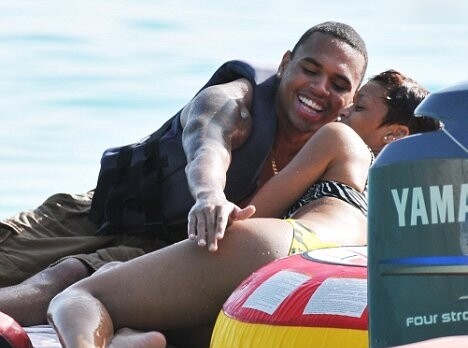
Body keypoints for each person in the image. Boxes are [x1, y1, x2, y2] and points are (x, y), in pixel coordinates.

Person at [15, 70, 440, 348]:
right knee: (163, 306)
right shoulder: (405, 197)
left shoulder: (342, 140)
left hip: (287, 246)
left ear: (394, 134)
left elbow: (257, 209)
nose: (343, 112)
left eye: (359, 106)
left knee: (84, 293)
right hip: (308, 295)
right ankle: (134, 345)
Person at [0, 21, 368, 326]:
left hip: (169, 248)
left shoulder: (334, 154)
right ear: (286, 63)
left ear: (351, 100)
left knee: (69, 276)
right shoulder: (233, 99)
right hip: (103, 213)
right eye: (310, 70)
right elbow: (207, 142)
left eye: (338, 84)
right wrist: (210, 195)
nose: (320, 88)